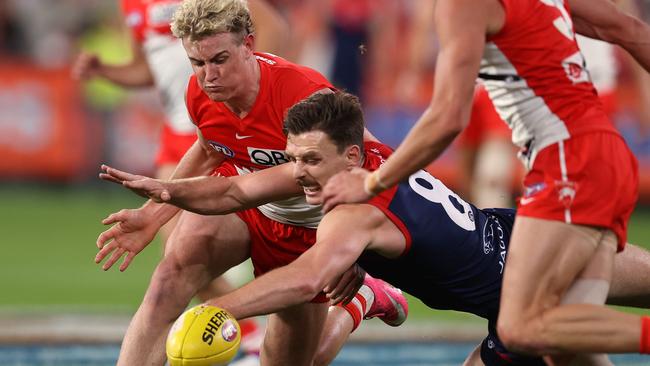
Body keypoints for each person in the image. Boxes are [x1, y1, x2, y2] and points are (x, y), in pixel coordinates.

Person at [102, 91, 650, 365]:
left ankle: (367, 299)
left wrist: (218, 309)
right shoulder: (355, 173)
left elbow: (302, 279)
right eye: (295, 160)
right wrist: (165, 198)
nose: (300, 174)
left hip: (525, 298)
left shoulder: (351, 215)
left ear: (354, 155)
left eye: (312, 161)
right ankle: (369, 297)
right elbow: (236, 189)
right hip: (526, 235)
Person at [318, 1, 650, 363]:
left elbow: (447, 117)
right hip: (601, 150)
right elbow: (631, 31)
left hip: (568, 162)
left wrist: (373, 183)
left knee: (520, 327)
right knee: (565, 341)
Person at [93, 1, 406, 365]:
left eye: (220, 59)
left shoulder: (304, 96)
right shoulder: (201, 93)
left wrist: (355, 250)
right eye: (198, 62)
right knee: (168, 280)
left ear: (249, 45)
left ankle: (362, 300)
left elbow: (368, 162)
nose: (209, 75)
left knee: (299, 360)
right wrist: (151, 216)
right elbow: (209, 149)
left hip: (309, 227)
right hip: (246, 208)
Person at [71, 0, 292, 355]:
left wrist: (251, 85)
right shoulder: (133, 6)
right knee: (176, 257)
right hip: (183, 131)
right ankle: (248, 335)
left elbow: (272, 28)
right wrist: (107, 72)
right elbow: (147, 69)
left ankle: (256, 323)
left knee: (198, 253)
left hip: (227, 127)